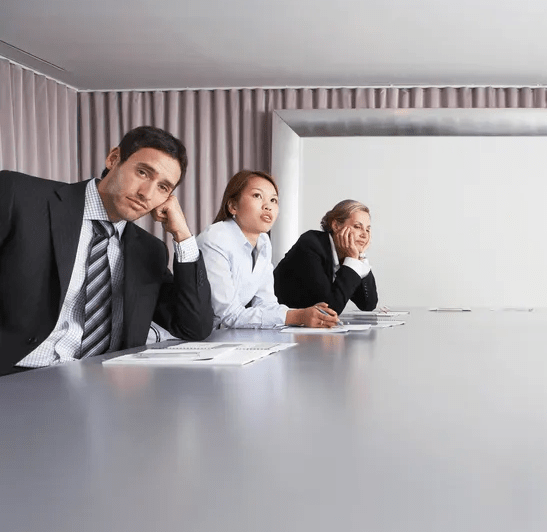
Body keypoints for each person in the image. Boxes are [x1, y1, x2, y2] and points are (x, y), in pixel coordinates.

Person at [0, 126, 214, 376]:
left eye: (163, 188)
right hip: (15, 376)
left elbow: (194, 327)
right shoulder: (19, 196)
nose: (147, 194)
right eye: (143, 172)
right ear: (114, 159)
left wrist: (183, 236)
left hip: (106, 385)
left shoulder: (150, 250)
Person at [196, 171, 340, 329]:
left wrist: (303, 313)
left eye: (273, 200)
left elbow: (266, 304)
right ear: (233, 206)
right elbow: (227, 314)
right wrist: (297, 316)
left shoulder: (263, 242)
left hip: (220, 336)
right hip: (184, 338)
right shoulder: (216, 238)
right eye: (257, 196)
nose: (268, 206)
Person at [274, 199, 378, 314]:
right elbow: (327, 310)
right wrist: (353, 260)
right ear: (336, 226)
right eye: (357, 227)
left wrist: (360, 257)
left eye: (368, 229)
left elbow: (368, 305)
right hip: (272, 323)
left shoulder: (346, 254)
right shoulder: (310, 244)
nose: (364, 235)